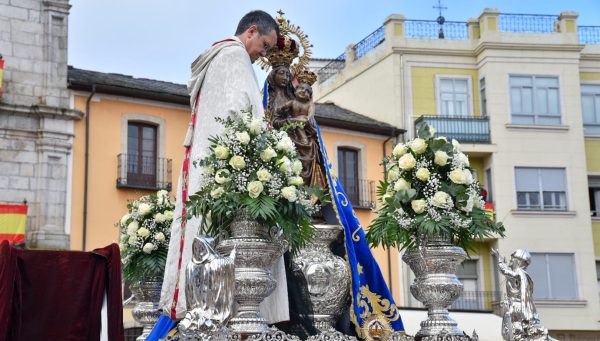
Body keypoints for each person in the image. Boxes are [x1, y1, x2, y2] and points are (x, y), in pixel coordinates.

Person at [157, 10, 284, 328]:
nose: (263, 56)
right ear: (251, 32)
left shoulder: (225, 58)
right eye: (265, 47)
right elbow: (241, 116)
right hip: (225, 173)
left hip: (217, 169)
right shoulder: (233, 58)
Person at [491, 248, 549, 341]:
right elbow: (507, 271)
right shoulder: (521, 274)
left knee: (515, 334)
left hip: (517, 308)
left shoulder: (520, 274)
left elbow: (504, 271)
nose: (510, 260)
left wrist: (498, 258)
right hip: (516, 306)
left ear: (518, 262)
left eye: (512, 258)